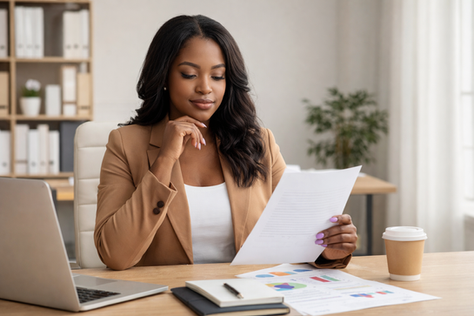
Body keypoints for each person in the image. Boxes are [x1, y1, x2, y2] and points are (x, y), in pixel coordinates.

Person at [95, 15, 358, 271]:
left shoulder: (259, 143)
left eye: (218, 76)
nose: (205, 88)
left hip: (245, 298)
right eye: (189, 74)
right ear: (164, 77)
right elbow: (115, 255)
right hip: (165, 302)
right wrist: (164, 159)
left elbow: (294, 233)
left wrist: (326, 250)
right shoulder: (124, 144)